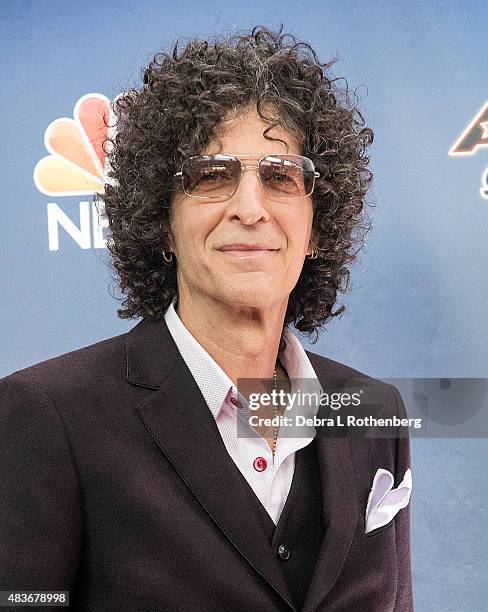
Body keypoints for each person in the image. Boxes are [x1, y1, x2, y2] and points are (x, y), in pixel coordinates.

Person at [0, 26, 413, 611]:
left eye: (281, 177)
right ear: (160, 221)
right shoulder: (47, 414)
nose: (250, 208)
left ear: (317, 226)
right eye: (211, 176)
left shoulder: (374, 411)